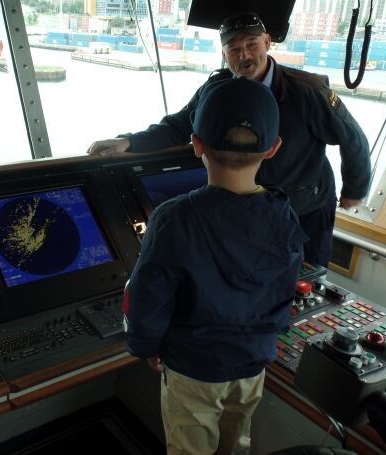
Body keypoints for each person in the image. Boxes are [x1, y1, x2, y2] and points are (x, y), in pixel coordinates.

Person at [87, 12, 370, 266]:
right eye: (234, 49)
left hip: (304, 206)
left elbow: (353, 138)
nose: (244, 55)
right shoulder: (217, 88)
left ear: (268, 43)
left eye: (251, 44)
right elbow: (178, 126)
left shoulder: (307, 91)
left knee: (306, 281)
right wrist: (128, 143)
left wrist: (354, 190)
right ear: (224, 54)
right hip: (249, 206)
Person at [125, 77, 307, 455]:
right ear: (273, 149)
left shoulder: (173, 217)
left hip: (194, 367)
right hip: (253, 363)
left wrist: (146, 346)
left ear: (196, 144)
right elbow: (282, 288)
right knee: (236, 442)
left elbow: (149, 295)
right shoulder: (284, 213)